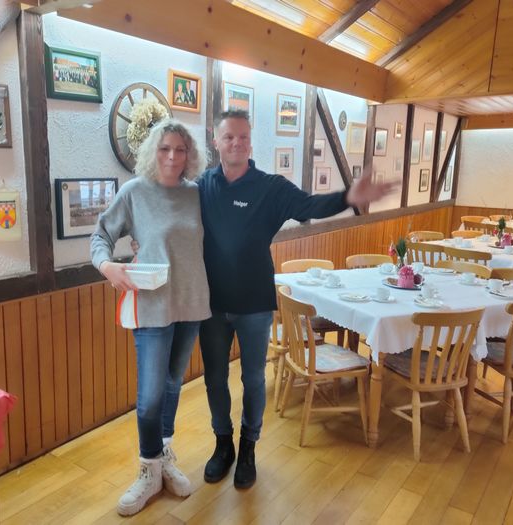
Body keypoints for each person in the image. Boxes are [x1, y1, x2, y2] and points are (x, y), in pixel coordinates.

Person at [197, 109, 394, 489]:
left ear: (250, 142)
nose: (236, 143)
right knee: (215, 379)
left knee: (253, 379)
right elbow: (174, 218)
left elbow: (309, 205)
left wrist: (348, 197)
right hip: (211, 305)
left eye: (243, 137)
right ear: (215, 139)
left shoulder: (270, 187)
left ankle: (248, 447)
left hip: (255, 303)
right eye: (228, 137)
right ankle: (223, 444)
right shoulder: (203, 186)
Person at [91, 118, 210, 516]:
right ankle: (147, 469)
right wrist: (108, 266)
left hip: (191, 304)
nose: (173, 156)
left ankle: (163, 458)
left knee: (173, 385)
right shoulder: (135, 192)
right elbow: (100, 236)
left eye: (180, 149)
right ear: (152, 151)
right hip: (152, 306)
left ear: (190, 155)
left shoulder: (197, 194)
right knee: (149, 398)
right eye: (165, 148)